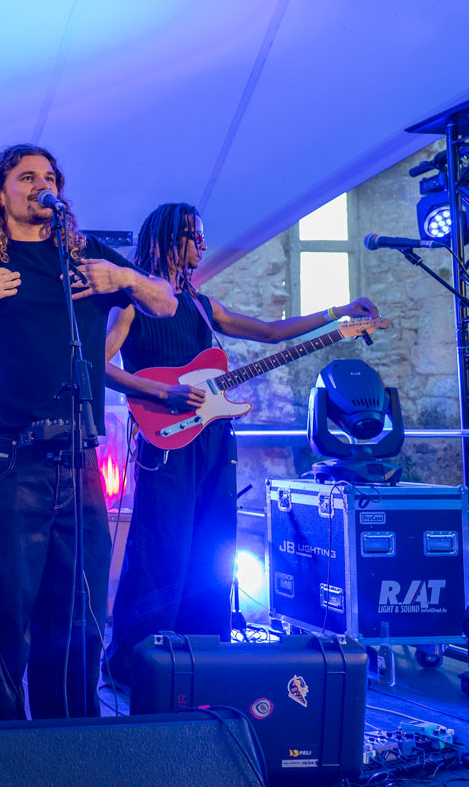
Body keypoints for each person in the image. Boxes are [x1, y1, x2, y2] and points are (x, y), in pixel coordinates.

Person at [0, 144, 176, 721]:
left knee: (79, 618)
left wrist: (124, 276)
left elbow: (166, 303)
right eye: (26, 177)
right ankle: (1, 751)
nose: (41, 185)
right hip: (7, 459)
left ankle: (69, 746)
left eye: (49, 177)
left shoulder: (83, 256)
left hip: (78, 462)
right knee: (4, 618)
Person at [103, 203, 378, 682]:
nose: (203, 245)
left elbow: (272, 332)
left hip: (213, 441)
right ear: (169, 240)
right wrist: (162, 393)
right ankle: (132, 666)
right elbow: (98, 365)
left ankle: (198, 659)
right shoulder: (131, 302)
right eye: (194, 236)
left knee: (212, 549)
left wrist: (338, 314)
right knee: (161, 552)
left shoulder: (201, 307)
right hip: (164, 442)